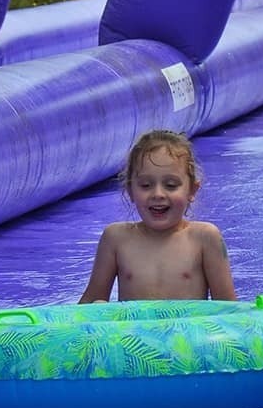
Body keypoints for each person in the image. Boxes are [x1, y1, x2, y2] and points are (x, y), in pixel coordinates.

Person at [78, 129, 237, 303]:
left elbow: (228, 308)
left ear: (192, 190)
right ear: (131, 190)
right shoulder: (116, 239)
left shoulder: (204, 238)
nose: (158, 194)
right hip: (134, 330)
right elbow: (89, 304)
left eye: (170, 185)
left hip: (185, 329)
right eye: (146, 185)